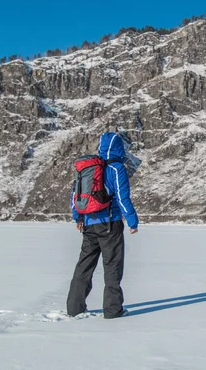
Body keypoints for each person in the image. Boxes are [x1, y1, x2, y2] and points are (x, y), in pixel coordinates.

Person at [66, 132, 139, 319]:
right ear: (119, 149)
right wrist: (132, 221)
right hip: (110, 223)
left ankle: (74, 308)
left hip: (88, 223)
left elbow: (76, 196)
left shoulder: (88, 168)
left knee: (84, 266)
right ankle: (113, 310)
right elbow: (123, 198)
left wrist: (78, 218)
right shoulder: (116, 169)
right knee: (112, 266)